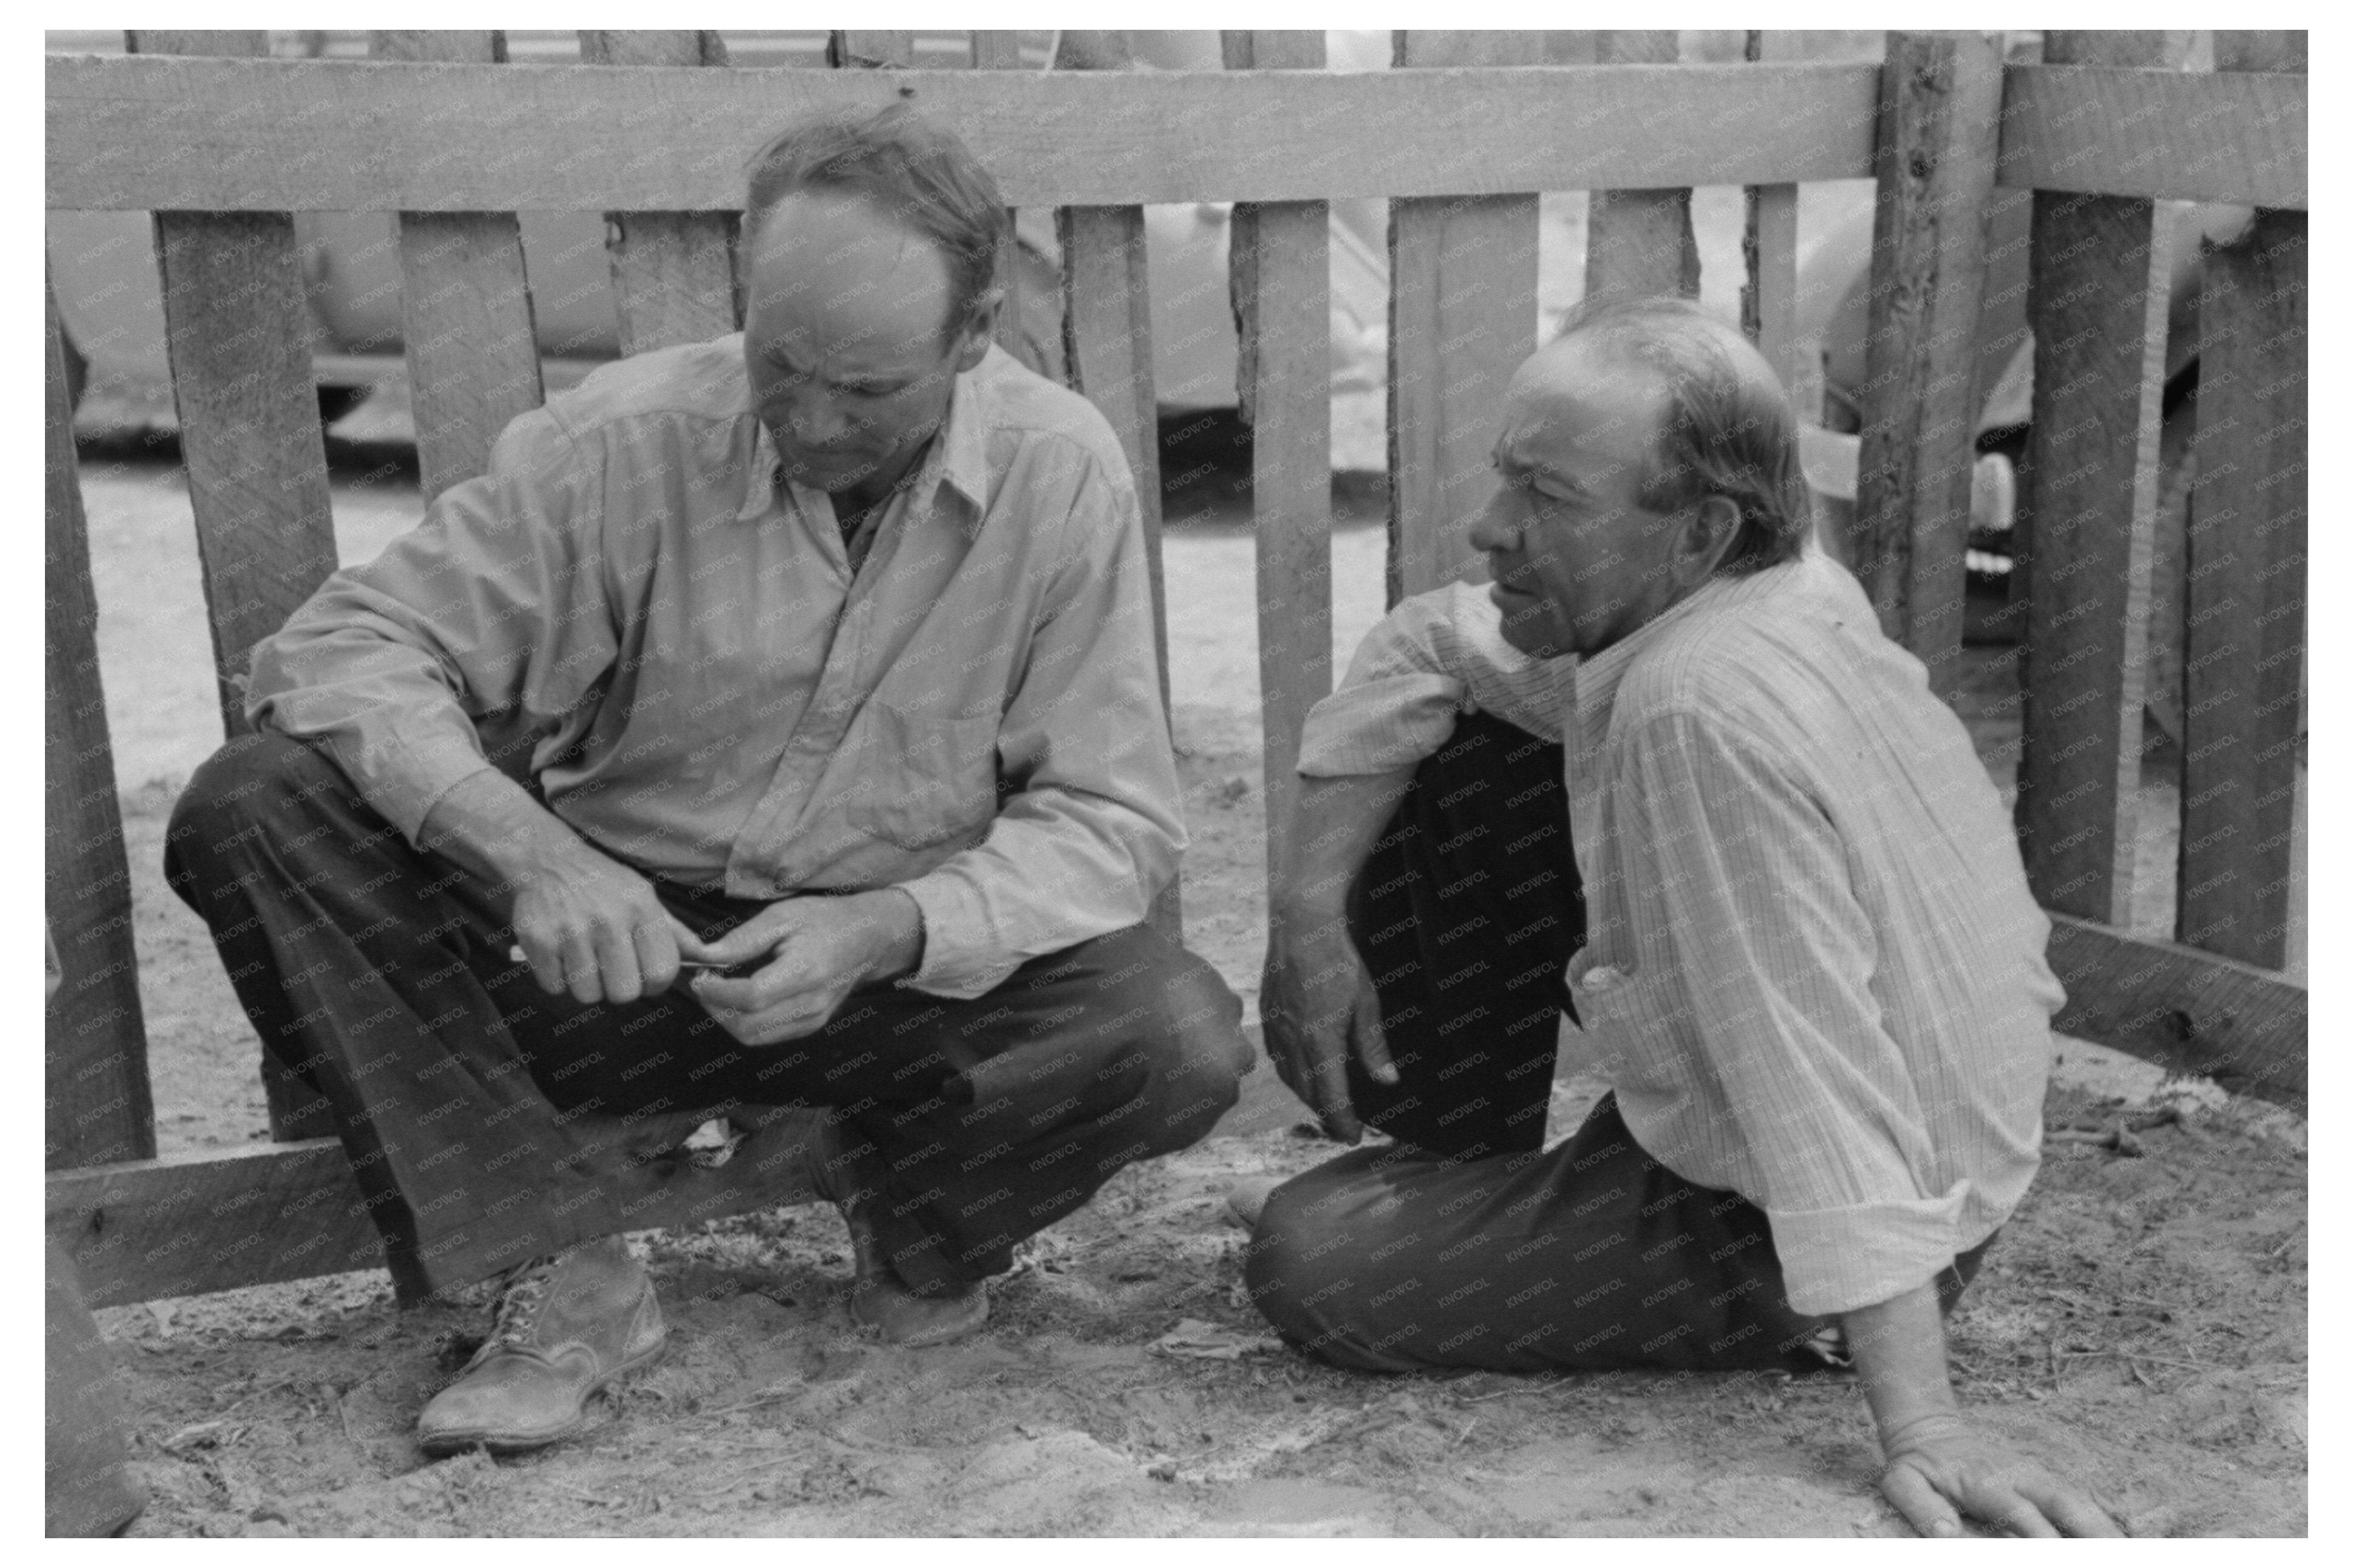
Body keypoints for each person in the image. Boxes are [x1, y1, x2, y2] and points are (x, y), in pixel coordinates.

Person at [165, 104, 1250, 1457]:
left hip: (871, 979)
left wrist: (887, 928)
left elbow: (1109, 820)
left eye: (864, 392)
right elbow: (339, 652)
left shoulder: (1058, 469)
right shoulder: (623, 440)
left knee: (1174, 1036)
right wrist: (536, 855)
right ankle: (557, 1266)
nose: (805, 420)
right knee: (256, 808)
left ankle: (917, 1220)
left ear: (971, 342)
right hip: (592, 963)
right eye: (779, 365)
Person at [1239, 295, 2121, 1537]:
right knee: (1467, 752)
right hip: (1761, 1135)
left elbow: (1812, 1064)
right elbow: (1426, 638)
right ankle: (1455, 1191)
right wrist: (1307, 919)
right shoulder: (1767, 583)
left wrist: (1921, 1426)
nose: (1488, 528)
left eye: (1546, 498)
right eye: (1505, 479)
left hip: (1843, 1215)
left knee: (1305, 1255)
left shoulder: (1696, 712)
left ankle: (1521, 1244)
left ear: (1699, 529)